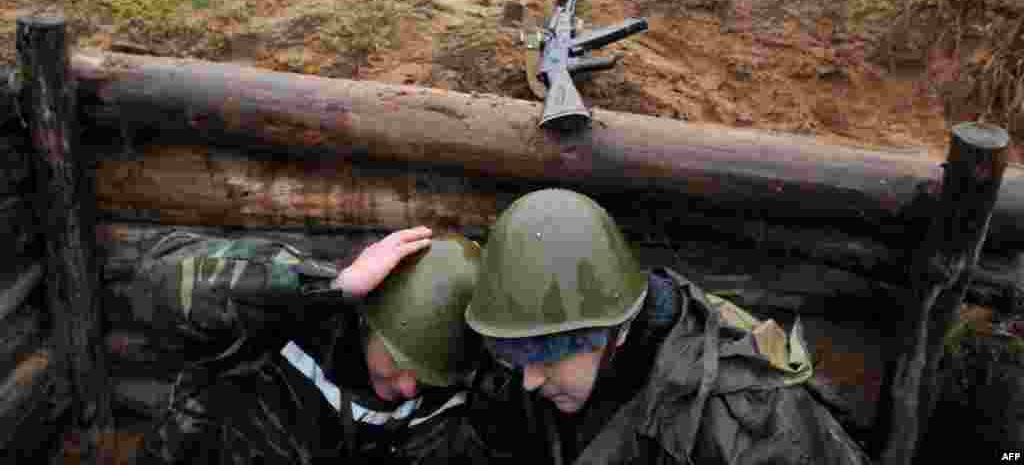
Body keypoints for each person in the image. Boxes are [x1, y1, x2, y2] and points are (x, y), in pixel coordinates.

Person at [464, 188, 874, 464]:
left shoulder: (745, 424)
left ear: (618, 331)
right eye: (517, 354)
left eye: (548, 354)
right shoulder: (532, 379)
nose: (530, 379)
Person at [135, 225, 486, 464]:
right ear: (369, 317)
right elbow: (156, 284)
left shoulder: (440, 402)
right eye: (399, 361)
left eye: (426, 378)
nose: (409, 389)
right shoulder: (289, 319)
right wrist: (331, 287)